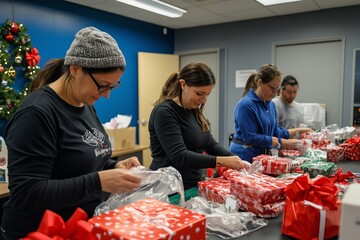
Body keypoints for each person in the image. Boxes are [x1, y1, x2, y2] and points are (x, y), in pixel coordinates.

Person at [0, 27, 142, 239]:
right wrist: (99, 181)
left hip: (78, 228)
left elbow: (77, 162)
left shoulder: (84, 104)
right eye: (103, 86)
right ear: (75, 69)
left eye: (113, 86)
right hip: (40, 232)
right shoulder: (37, 113)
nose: (107, 95)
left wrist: (113, 166)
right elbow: (26, 193)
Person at [148, 62, 248, 190]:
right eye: (199, 93)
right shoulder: (164, 112)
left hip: (192, 185)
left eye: (207, 94)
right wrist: (222, 161)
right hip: (168, 187)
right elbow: (180, 156)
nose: (204, 100)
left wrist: (235, 159)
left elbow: (210, 144)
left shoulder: (193, 110)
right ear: (183, 85)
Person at [229, 64, 312, 163]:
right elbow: (250, 137)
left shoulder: (271, 105)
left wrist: (298, 132)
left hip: (262, 156)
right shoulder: (245, 105)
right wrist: (280, 142)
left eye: (277, 90)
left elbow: (275, 131)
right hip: (245, 157)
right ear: (260, 83)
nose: (274, 93)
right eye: (272, 88)